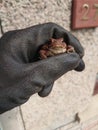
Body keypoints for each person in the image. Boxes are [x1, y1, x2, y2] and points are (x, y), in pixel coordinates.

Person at [0, 22, 85, 114]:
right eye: (52, 41)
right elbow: (41, 52)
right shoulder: (48, 49)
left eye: (61, 41)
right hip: (50, 53)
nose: (57, 43)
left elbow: (70, 47)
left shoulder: (64, 46)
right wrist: (44, 60)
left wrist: (69, 50)